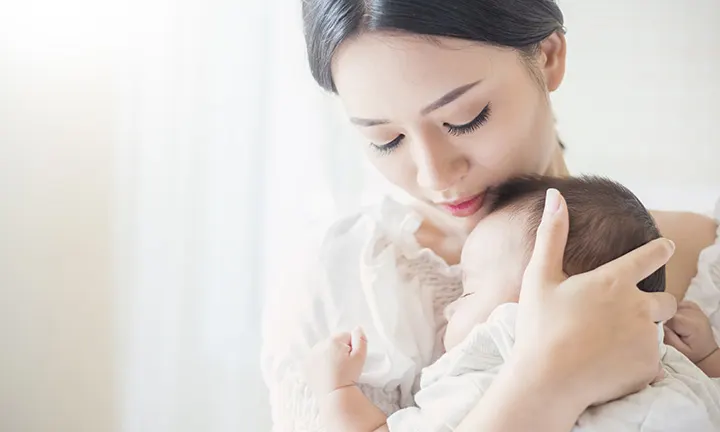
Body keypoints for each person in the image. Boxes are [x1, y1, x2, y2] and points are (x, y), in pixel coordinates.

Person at [261, 1, 720, 430]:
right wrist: (545, 385)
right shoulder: (335, 287)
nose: (434, 174)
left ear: (548, 56)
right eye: (386, 140)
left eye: (466, 118)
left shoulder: (707, 259)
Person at [304, 176, 720, 432]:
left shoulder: (479, 379)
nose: (450, 309)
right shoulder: (657, 362)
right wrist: (708, 357)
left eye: (467, 292)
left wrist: (336, 392)